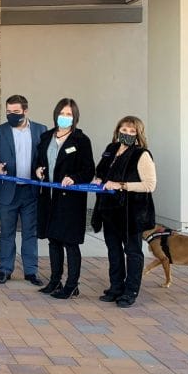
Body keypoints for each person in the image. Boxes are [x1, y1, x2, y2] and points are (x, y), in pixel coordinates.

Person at [92, 116, 156, 308]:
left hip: (131, 213)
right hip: (109, 210)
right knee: (114, 250)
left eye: (132, 131)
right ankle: (116, 287)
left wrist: (121, 185)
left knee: (133, 252)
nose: (127, 134)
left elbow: (150, 185)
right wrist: (98, 179)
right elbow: (102, 171)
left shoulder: (142, 155)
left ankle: (130, 291)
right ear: (118, 130)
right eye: (124, 130)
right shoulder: (111, 149)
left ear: (138, 134)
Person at [35, 99, 95, 298]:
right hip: (49, 198)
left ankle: (72, 285)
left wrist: (74, 178)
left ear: (75, 117)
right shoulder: (46, 137)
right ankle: (55, 280)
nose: (65, 117)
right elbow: (39, 161)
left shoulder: (81, 140)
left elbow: (89, 169)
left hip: (70, 200)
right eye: (62, 113)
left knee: (70, 242)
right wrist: (38, 169)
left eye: (69, 114)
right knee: (53, 240)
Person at [0, 94, 47, 286]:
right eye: (8, 111)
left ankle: (31, 271)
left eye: (16, 111)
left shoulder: (41, 130)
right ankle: (4, 269)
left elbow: (43, 157)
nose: (11, 114)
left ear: (25, 111)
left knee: (30, 232)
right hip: (7, 191)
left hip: (31, 191)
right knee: (7, 232)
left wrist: (41, 169)